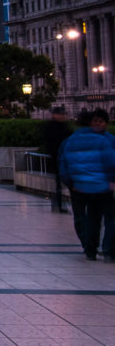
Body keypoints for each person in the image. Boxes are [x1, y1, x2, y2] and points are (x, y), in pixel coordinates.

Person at [59, 108, 115, 261]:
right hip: (102, 187)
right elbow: (111, 163)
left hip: (80, 187)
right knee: (109, 217)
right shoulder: (105, 140)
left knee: (90, 218)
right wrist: (111, 181)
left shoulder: (71, 140)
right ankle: (109, 249)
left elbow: (64, 162)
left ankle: (90, 248)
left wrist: (70, 182)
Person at [42, 106, 72, 212]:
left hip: (64, 158)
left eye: (63, 114)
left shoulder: (65, 127)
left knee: (61, 182)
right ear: (54, 115)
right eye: (59, 114)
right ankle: (58, 204)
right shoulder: (51, 127)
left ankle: (59, 203)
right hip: (56, 157)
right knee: (58, 182)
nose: (61, 116)